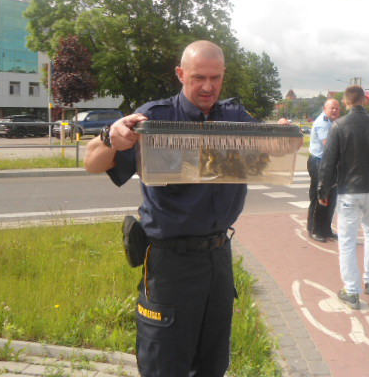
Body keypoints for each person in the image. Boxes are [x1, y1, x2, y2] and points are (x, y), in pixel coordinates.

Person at [85, 40, 273, 377]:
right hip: (169, 262)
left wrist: (280, 134)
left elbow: (266, 152)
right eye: (198, 77)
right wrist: (110, 138)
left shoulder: (235, 116)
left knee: (213, 360)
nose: (208, 87)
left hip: (217, 258)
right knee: (165, 362)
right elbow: (92, 164)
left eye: (216, 78)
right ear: (180, 74)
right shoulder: (155, 118)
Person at [317, 85, 369, 310]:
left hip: (350, 191)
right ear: (363, 100)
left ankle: (351, 291)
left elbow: (328, 161)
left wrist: (323, 191)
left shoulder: (339, 126)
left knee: (348, 240)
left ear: (346, 102)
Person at [307, 98, 341, 242]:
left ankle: (326, 229)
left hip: (329, 163)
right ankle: (314, 229)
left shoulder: (333, 122)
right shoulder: (323, 123)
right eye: (331, 108)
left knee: (331, 197)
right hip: (318, 162)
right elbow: (329, 146)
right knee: (319, 196)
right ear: (324, 109)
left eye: (337, 108)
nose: (334, 110)